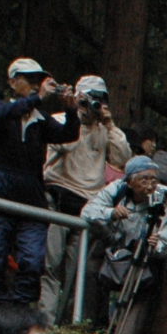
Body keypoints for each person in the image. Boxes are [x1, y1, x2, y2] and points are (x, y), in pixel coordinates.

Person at [0, 59, 78, 309]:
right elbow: (4, 115)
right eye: (29, 80)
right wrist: (39, 98)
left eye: (37, 81)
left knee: (32, 260)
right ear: (12, 81)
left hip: (31, 192)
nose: (34, 85)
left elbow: (68, 135)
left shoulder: (40, 119)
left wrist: (71, 110)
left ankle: (21, 310)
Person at [40, 75, 130, 318]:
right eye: (87, 99)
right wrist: (74, 114)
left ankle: (66, 320)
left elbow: (122, 159)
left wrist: (109, 124)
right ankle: (45, 320)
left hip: (85, 203)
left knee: (74, 270)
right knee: (50, 263)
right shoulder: (61, 121)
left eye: (97, 101)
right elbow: (61, 145)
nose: (91, 106)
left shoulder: (105, 132)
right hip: (57, 196)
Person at [84, 154, 167, 334]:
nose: (150, 185)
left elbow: (165, 238)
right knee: (93, 272)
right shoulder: (118, 189)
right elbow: (88, 212)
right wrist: (111, 213)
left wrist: (155, 244)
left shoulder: (163, 199)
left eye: (154, 179)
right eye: (144, 179)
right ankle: (93, 327)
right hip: (114, 249)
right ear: (130, 182)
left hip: (143, 256)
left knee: (144, 291)